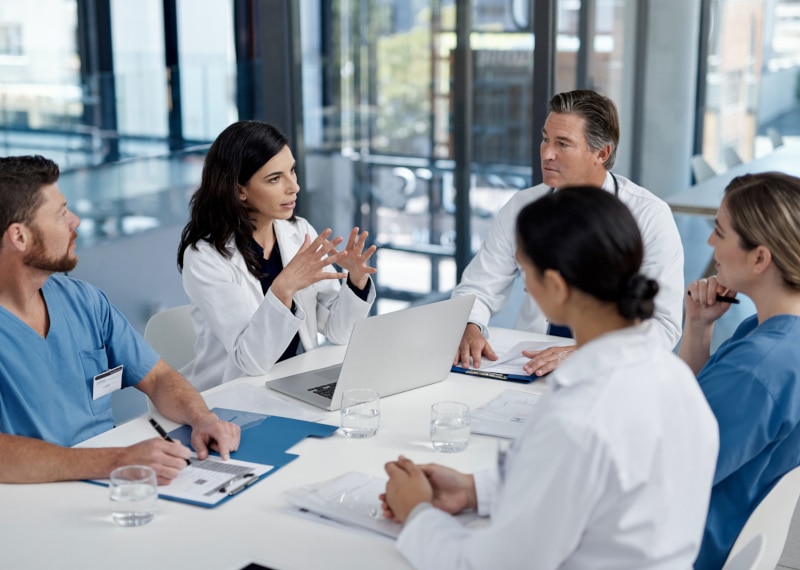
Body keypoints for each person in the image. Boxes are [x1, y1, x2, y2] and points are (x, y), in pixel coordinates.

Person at [382, 187, 719, 569]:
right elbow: (592, 490)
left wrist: (417, 513)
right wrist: (477, 490)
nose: (525, 285)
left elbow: (494, 564)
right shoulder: (674, 377)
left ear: (557, 288)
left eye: (527, 270)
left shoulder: (580, 418)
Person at [0, 155, 240, 485]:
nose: (76, 221)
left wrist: (202, 418)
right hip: (34, 497)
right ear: (20, 237)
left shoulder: (83, 301)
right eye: (60, 213)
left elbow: (157, 377)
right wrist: (118, 460)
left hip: (111, 485)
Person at [452, 89, 684, 376]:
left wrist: (587, 351)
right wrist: (469, 326)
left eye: (563, 144)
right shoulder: (522, 206)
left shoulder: (649, 215)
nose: (547, 153)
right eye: (545, 139)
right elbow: (478, 287)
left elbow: (663, 324)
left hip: (611, 368)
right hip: (527, 364)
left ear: (602, 153)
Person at [177, 121, 376, 391]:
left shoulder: (299, 231)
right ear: (239, 190)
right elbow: (251, 361)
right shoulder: (205, 257)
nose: (293, 187)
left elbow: (338, 331)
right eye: (275, 179)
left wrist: (356, 280)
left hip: (297, 380)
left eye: (292, 171)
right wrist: (284, 287)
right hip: (234, 393)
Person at [679, 172, 800, 569]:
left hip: (680, 544)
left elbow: (663, 468)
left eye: (720, 231)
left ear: (760, 257)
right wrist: (698, 328)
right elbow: (692, 411)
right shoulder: (771, 334)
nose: (710, 243)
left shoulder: (758, 370)